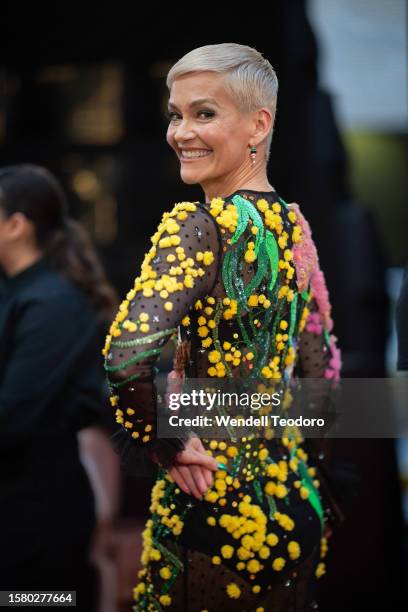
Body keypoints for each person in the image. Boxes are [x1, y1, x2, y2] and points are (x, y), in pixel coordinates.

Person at [104, 43, 342, 611]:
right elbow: (324, 372)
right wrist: (301, 467)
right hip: (294, 506)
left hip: (215, 503)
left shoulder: (197, 226)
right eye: (175, 114)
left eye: (204, 113)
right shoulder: (295, 228)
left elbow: (123, 360)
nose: (181, 132)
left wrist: (168, 443)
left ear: (259, 124)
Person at [0, 164, 118, 611]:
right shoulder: (12, 293)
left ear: (16, 225)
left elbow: (11, 417)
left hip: (36, 522)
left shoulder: (52, 305)